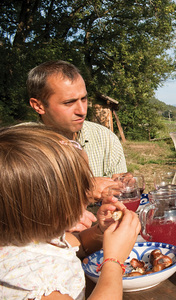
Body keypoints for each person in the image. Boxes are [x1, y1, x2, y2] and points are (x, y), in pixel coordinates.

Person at [0, 125, 141, 299]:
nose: (87, 194)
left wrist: (101, 231)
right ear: (52, 206)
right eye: (82, 188)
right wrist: (114, 261)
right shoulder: (32, 280)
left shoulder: (26, 240)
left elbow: (78, 242)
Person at [27, 60, 128, 229]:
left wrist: (124, 185)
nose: (82, 110)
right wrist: (82, 191)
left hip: (101, 238)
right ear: (38, 106)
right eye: (69, 102)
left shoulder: (105, 138)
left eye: (84, 99)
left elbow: (121, 201)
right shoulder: (19, 147)